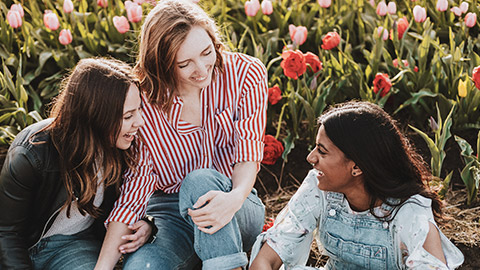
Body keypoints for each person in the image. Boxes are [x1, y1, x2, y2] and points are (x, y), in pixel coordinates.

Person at [95, 0, 268, 269]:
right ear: (161, 64)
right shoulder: (145, 103)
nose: (201, 69)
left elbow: (248, 153)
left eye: (206, 52)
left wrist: (233, 199)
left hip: (235, 202)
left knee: (199, 183)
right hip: (172, 215)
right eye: (184, 64)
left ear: (214, 39)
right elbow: (135, 189)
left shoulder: (246, 74)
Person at [250, 101, 464, 270]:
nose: (310, 158)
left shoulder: (409, 212)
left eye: (322, 151)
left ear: (357, 167)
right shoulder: (317, 188)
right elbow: (267, 260)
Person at [0, 58, 155, 269]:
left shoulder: (125, 147)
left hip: (73, 246)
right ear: (97, 117)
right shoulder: (32, 153)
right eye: (128, 116)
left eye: (138, 110)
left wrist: (147, 223)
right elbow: (6, 233)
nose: (140, 122)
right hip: (23, 246)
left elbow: (139, 195)